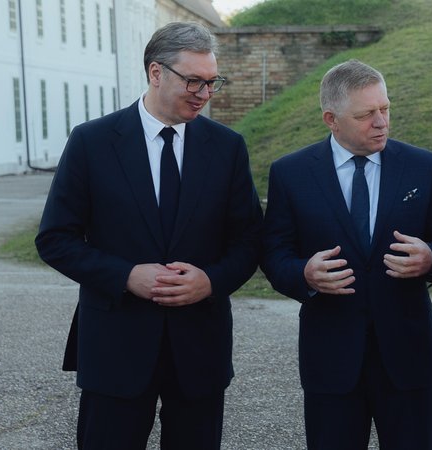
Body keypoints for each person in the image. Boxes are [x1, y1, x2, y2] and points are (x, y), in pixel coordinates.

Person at [35, 22, 263, 449]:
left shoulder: (227, 147)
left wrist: (210, 281)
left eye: (212, 82)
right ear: (156, 72)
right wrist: (125, 276)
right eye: (193, 81)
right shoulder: (92, 141)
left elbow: (249, 239)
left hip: (199, 347)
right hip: (115, 346)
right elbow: (55, 239)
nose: (204, 93)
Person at [261, 59, 432, 449]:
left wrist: (431, 257)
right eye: (365, 115)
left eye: (385, 109)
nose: (381, 122)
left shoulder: (423, 166)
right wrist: (304, 273)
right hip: (331, 361)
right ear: (331, 119)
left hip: (408, 359)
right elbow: (274, 254)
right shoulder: (291, 173)